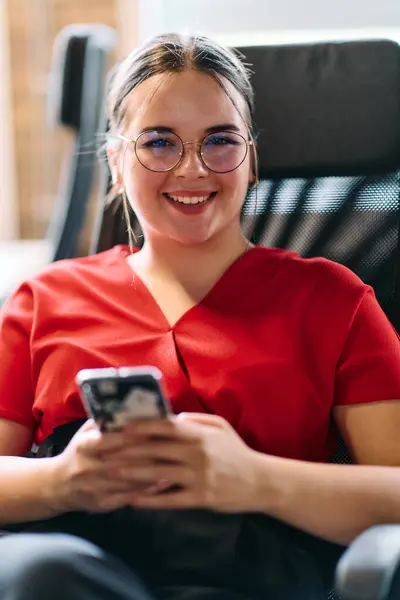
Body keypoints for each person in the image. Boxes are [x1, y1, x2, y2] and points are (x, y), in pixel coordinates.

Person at [0, 32, 399, 600]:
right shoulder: (43, 299)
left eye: (220, 141)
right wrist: (66, 479)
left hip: (247, 570)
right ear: (116, 162)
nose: (192, 169)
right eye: (160, 143)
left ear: (251, 159)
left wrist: (256, 480)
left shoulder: (335, 301)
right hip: (73, 560)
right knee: (42, 575)